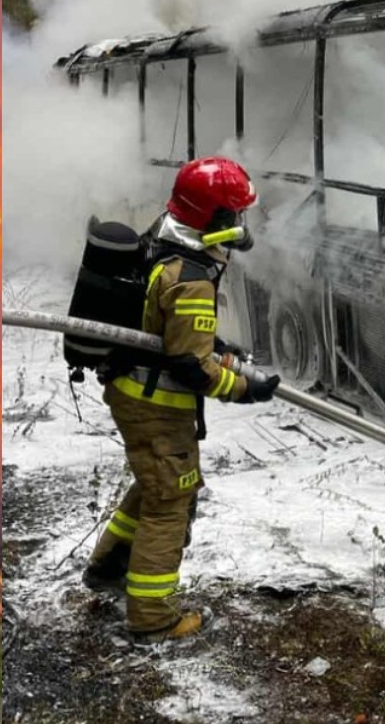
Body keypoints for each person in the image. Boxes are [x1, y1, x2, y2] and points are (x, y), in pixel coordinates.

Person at [80, 155, 280, 643]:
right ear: (211, 217)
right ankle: (153, 618)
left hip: (132, 389)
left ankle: (107, 569)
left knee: (154, 485)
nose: (237, 224)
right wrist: (243, 388)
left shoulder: (164, 233)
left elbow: (171, 331)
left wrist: (217, 348)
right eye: (232, 214)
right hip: (157, 406)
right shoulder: (191, 274)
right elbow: (190, 367)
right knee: (171, 500)